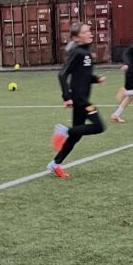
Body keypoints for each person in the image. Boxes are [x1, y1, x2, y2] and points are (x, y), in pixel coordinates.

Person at [48, 23, 105, 178]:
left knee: (76, 136)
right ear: (77, 37)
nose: (90, 33)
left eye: (89, 31)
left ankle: (55, 164)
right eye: (86, 32)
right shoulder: (77, 53)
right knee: (99, 127)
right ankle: (64, 130)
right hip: (80, 99)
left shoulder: (86, 52)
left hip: (82, 98)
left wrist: (96, 79)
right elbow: (62, 74)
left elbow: (83, 76)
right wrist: (67, 97)